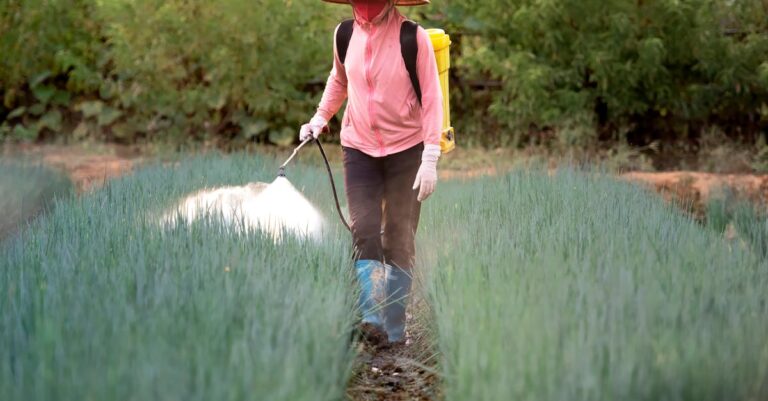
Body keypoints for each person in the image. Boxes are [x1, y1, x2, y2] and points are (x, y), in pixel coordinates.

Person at [299, 0, 443, 345]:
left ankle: (395, 327)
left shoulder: (413, 38)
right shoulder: (344, 34)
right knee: (363, 230)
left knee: (398, 236)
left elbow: (433, 100)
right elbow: (339, 80)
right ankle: (371, 318)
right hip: (358, 148)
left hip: (407, 151)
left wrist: (431, 157)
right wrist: (320, 117)